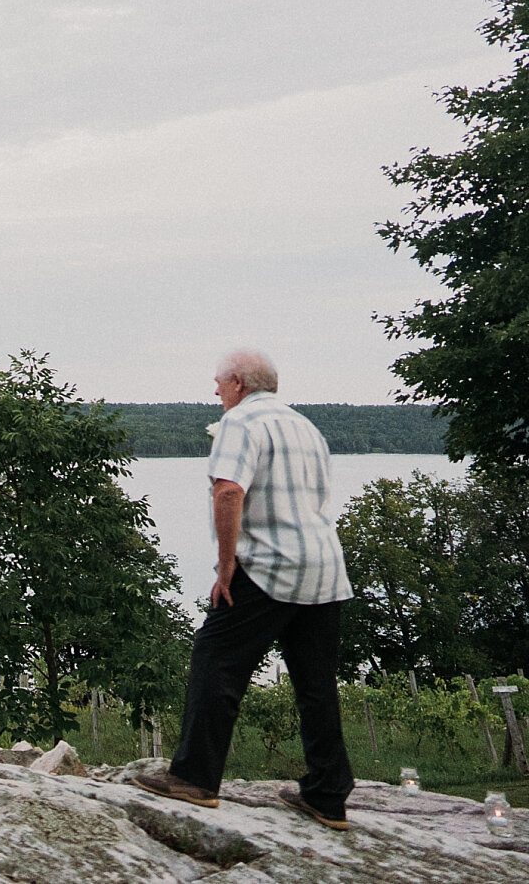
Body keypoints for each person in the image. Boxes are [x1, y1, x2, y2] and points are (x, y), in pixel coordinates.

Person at [136, 351, 356, 831]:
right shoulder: (306, 428)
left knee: (216, 661)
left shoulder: (240, 423)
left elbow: (229, 491)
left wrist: (226, 564)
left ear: (237, 382)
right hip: (324, 567)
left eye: (217, 382)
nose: (214, 391)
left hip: (270, 565)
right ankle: (328, 795)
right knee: (316, 685)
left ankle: (195, 779)